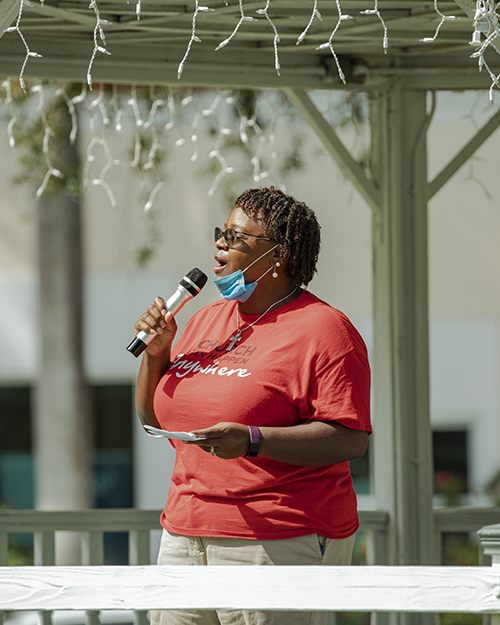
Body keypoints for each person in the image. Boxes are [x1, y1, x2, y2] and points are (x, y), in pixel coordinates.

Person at [134, 187, 371, 625]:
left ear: (277, 255)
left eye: (236, 236)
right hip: (185, 533)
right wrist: (156, 354)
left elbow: (350, 438)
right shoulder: (206, 319)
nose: (220, 243)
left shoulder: (325, 330)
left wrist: (253, 441)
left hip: (274, 537)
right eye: (221, 232)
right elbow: (153, 419)